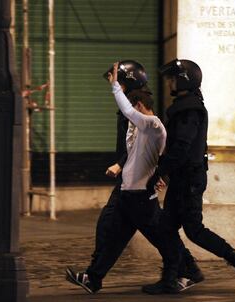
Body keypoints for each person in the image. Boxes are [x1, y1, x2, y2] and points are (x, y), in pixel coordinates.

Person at [66, 62, 192, 294]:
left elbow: (130, 115)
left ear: (140, 105)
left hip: (141, 195)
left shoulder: (153, 125)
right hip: (129, 192)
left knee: (163, 236)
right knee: (113, 235)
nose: (130, 112)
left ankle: (185, 272)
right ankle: (93, 279)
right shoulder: (141, 129)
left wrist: (115, 87)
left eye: (134, 107)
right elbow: (142, 156)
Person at [142, 58, 235, 294]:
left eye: (172, 78)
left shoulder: (189, 109)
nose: (169, 83)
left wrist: (160, 172)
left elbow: (181, 146)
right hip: (184, 178)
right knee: (165, 228)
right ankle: (170, 278)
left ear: (184, 80)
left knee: (194, 230)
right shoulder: (185, 105)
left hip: (189, 179)